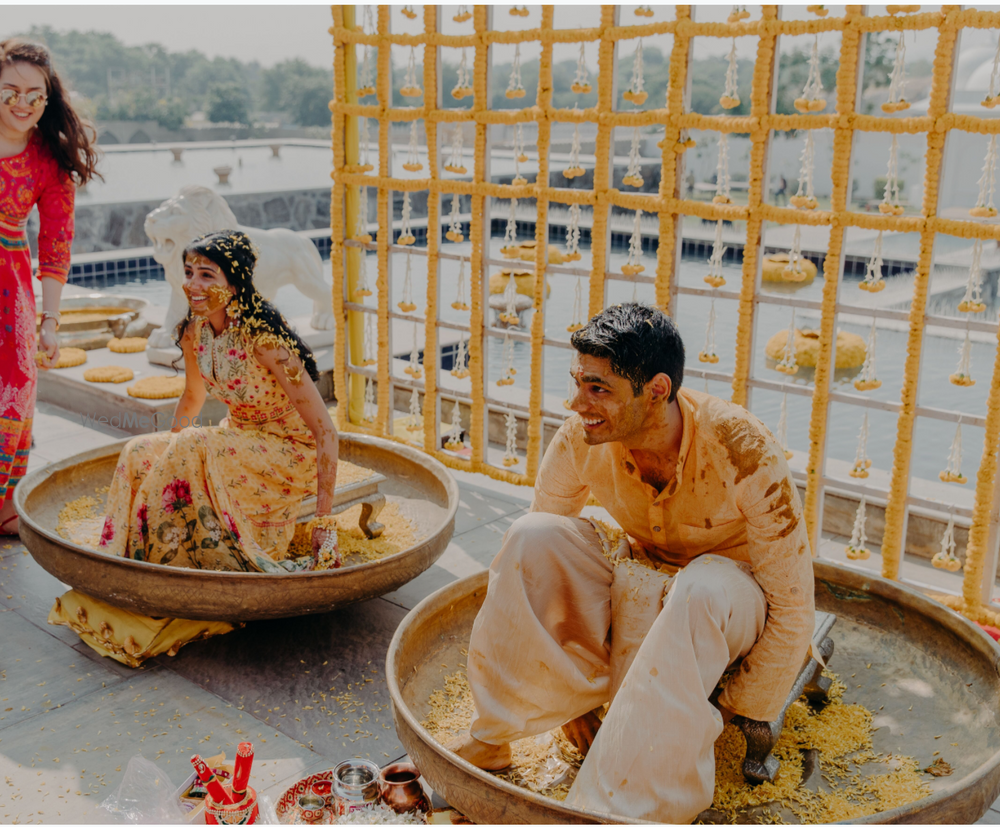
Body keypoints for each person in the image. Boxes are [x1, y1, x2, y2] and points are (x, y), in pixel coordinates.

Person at [451, 303, 814, 823]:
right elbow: (537, 562)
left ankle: (620, 810)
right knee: (530, 535)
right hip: (640, 572)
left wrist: (722, 711)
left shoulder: (743, 449)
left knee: (702, 588)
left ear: (658, 391)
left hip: (727, 599)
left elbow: (795, 607)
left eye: (598, 389)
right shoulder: (581, 435)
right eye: (578, 382)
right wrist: (573, 704)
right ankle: (493, 736)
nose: (577, 403)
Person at [96, 230, 340, 572]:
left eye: (207, 275)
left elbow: (326, 431)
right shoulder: (194, 332)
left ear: (235, 284)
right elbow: (193, 396)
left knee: (193, 443)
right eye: (189, 273)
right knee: (136, 451)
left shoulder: (265, 341)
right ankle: (125, 562)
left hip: (287, 451)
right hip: (236, 443)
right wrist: (169, 452)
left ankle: (162, 566)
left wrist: (324, 523)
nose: (192, 285)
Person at [0, 39, 99, 535]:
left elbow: (57, 243)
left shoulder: (49, 160)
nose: (22, 103)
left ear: (47, 99)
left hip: (9, 284)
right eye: (10, 91)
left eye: (34, 95)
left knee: (17, 385)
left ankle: (2, 505)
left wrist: (51, 321)